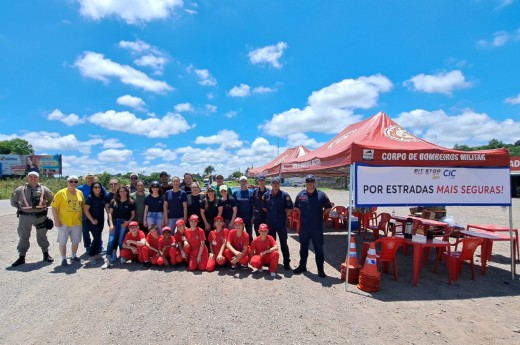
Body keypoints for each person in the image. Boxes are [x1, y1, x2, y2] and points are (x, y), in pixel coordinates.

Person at [10, 171, 54, 267]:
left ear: (38, 178)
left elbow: (51, 199)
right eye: (31, 176)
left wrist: (44, 206)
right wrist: (22, 209)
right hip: (25, 217)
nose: (33, 178)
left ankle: (46, 254)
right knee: (23, 236)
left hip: (40, 216)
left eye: (35, 177)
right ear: (27, 178)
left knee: (42, 236)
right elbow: (13, 202)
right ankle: (21, 257)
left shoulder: (44, 189)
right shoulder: (19, 189)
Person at [293, 174, 332, 278]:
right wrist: (301, 212)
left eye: (311, 182)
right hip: (304, 227)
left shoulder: (322, 195)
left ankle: (320, 270)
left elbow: (329, 207)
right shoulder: (300, 194)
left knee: (318, 249)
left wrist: (322, 214)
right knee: (303, 248)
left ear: (314, 183)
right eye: (308, 182)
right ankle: (302, 266)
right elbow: (296, 206)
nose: (309, 184)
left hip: (316, 227)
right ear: (305, 183)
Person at [51, 175, 85, 267]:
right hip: (64, 222)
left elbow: (83, 206)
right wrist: (56, 220)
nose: (73, 183)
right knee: (63, 242)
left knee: (76, 241)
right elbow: (54, 207)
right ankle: (63, 259)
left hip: (77, 222)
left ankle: (73, 256)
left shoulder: (80, 193)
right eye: (71, 181)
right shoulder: (61, 193)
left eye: (75, 181)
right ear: (67, 182)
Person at [262, 177, 293, 271]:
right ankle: (271, 261)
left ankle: (286, 262)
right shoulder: (266, 195)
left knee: (284, 243)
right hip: (270, 223)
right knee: (271, 243)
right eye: (273, 183)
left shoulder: (285, 195)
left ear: (279, 184)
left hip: (281, 223)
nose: (275, 184)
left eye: (277, 183)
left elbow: (290, 208)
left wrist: (283, 216)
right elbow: (264, 207)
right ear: (271, 184)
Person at [103, 186, 135, 269]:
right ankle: (108, 260)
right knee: (111, 240)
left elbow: (133, 214)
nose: (122, 193)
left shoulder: (131, 202)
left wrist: (128, 222)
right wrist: (111, 224)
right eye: (120, 191)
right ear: (118, 193)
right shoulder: (113, 202)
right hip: (115, 223)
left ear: (127, 192)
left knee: (121, 240)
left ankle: (122, 256)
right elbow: (110, 214)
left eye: (124, 191)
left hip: (124, 223)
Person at [78, 172, 106, 255]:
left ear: (94, 179)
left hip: (97, 212)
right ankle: (87, 246)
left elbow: (106, 196)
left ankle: (99, 245)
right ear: (85, 179)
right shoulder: (80, 188)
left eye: (91, 178)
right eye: (88, 178)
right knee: (85, 230)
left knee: (98, 231)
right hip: (84, 211)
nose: (90, 179)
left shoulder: (101, 188)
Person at [83, 181, 106, 264]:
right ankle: (91, 255)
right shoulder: (90, 197)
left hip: (100, 220)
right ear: (92, 189)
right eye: (95, 187)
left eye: (99, 187)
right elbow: (85, 210)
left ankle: (96, 253)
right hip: (91, 220)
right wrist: (92, 220)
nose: (97, 189)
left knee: (98, 237)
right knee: (96, 238)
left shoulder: (101, 197)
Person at [233, 176, 254, 243]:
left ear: (247, 182)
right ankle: (241, 248)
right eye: (242, 181)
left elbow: (254, 206)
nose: (243, 182)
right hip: (239, 218)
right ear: (239, 182)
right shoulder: (235, 192)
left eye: (244, 181)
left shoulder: (251, 192)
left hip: (248, 217)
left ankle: (250, 249)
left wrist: (253, 217)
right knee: (239, 234)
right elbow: (233, 206)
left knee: (249, 234)